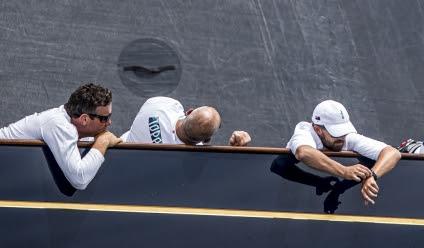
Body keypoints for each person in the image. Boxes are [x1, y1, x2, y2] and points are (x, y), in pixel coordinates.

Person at [0, 83, 121, 190]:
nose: (109, 122)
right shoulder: (60, 126)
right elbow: (79, 179)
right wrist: (103, 142)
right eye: (104, 118)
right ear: (84, 119)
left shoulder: (74, 126)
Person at [287, 100, 401, 205]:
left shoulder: (346, 137)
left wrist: (372, 176)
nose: (342, 137)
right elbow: (304, 153)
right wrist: (345, 171)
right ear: (318, 130)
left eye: (343, 130)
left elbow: (392, 153)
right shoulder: (304, 132)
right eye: (336, 133)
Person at [121, 96, 251, 146]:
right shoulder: (193, 160)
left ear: (189, 111)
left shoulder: (158, 106)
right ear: (206, 140)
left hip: (114, 156)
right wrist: (236, 150)